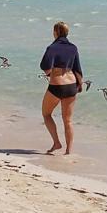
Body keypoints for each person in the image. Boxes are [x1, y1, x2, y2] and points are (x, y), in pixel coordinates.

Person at [39, 21, 83, 155]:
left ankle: (57, 142)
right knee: (68, 120)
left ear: (56, 32)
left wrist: (50, 73)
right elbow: (77, 68)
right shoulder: (73, 47)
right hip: (71, 85)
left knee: (46, 114)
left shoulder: (52, 48)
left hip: (57, 86)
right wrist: (79, 85)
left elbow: (45, 66)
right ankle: (68, 151)